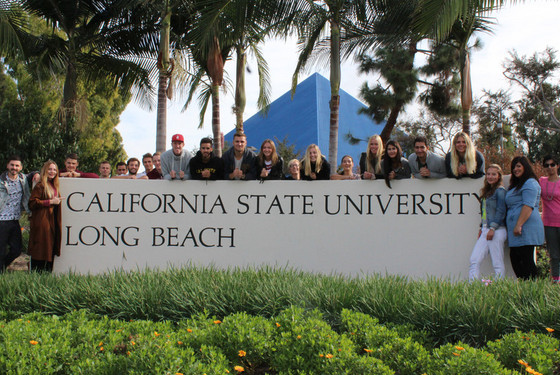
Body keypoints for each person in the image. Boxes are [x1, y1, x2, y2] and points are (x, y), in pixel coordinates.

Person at [506, 156, 545, 280]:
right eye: (513, 167)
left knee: (526, 261)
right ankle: (525, 290)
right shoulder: (516, 185)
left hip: (526, 227)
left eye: (518, 166)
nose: (515, 169)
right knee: (516, 260)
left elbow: (528, 205)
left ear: (525, 167)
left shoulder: (530, 183)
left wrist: (519, 224)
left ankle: (536, 289)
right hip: (516, 230)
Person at [468, 164, 507, 281]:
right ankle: (473, 287)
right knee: (474, 260)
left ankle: (499, 287)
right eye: (488, 174)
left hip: (497, 229)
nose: (490, 177)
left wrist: (492, 229)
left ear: (499, 176)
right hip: (486, 229)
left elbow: (501, 211)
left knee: (497, 262)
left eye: (494, 174)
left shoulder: (500, 191)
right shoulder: (487, 192)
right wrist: (482, 228)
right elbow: (484, 213)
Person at [28, 160, 63, 272]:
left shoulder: (54, 185)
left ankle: (46, 276)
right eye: (50, 169)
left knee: (49, 249)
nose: (52, 172)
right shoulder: (40, 185)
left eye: (54, 169)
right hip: (43, 221)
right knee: (41, 248)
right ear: (45, 170)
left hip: (52, 220)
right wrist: (50, 202)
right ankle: (36, 274)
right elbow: (32, 203)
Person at [0, 155, 31, 272]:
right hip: (2, 220)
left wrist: (29, 213)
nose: (14, 167)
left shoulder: (23, 179)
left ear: (21, 167)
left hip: (14, 220)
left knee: (16, 250)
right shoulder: (1, 181)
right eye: (12, 165)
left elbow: (36, 173)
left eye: (17, 165)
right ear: (7, 165)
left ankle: (2, 267)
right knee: (1, 250)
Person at [539, 155, 560, 282]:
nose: (549, 167)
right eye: (546, 165)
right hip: (548, 222)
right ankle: (555, 280)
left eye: (552, 164)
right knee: (554, 254)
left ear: (557, 166)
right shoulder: (541, 181)